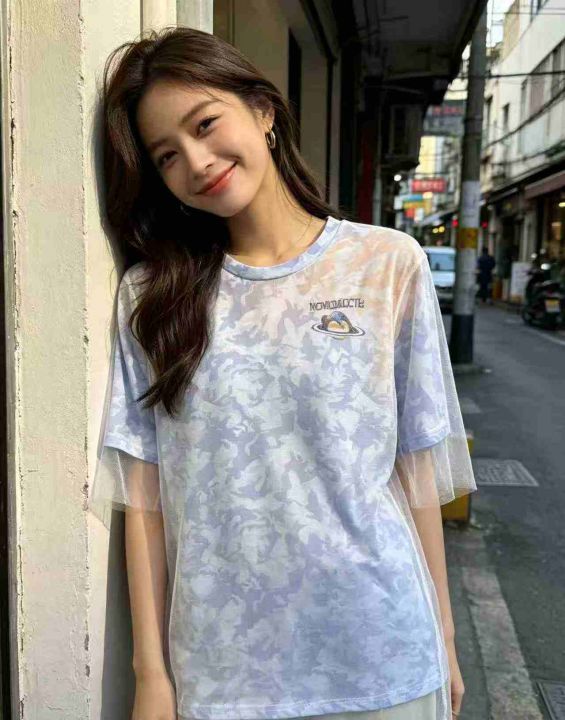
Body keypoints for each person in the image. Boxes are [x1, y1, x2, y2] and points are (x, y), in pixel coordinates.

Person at [88, 26, 477, 720]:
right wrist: (151, 674)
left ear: (263, 111)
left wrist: (444, 640)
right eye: (167, 155)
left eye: (205, 125)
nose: (197, 161)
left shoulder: (387, 263)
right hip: (223, 671)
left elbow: (416, 471)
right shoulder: (154, 297)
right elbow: (143, 498)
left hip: (382, 650)